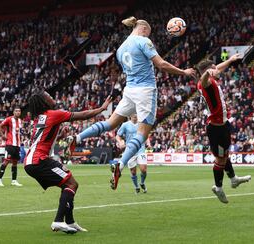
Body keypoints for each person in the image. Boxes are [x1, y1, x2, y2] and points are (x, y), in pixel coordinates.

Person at [66, 16, 195, 190]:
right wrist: (184, 72)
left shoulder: (120, 49)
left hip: (130, 90)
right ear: (143, 29)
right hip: (145, 91)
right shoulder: (143, 41)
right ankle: (120, 164)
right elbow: (162, 65)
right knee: (142, 134)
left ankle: (77, 137)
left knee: (110, 123)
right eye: (147, 33)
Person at [24, 88, 111, 234]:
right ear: (45, 101)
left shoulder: (41, 117)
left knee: (70, 185)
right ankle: (58, 221)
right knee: (71, 183)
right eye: (48, 95)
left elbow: (44, 137)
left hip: (33, 160)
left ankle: (70, 221)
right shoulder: (54, 114)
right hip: (39, 160)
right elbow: (83, 115)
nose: (51, 96)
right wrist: (102, 108)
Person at [195, 54, 251, 204]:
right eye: (213, 69)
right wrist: (207, 73)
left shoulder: (211, 76)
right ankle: (218, 187)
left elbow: (216, 69)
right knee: (220, 158)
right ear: (208, 71)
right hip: (216, 128)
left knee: (225, 155)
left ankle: (233, 179)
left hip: (223, 124)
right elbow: (203, 79)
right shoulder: (205, 83)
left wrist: (231, 60)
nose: (217, 70)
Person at [116, 114, 147, 194]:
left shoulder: (142, 124)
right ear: (130, 115)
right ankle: (136, 187)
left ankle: (142, 183)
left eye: (136, 113)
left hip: (141, 149)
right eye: (133, 113)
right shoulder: (125, 125)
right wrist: (120, 141)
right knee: (133, 172)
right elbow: (118, 136)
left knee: (143, 169)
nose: (135, 115)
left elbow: (146, 134)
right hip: (130, 150)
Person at [0, 107, 23, 187]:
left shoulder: (20, 121)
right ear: (13, 112)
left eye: (19, 111)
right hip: (10, 144)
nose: (18, 112)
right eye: (16, 111)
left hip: (17, 145)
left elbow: (19, 132)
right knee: (6, 161)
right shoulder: (9, 119)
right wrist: (2, 135)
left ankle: (14, 180)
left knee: (15, 162)